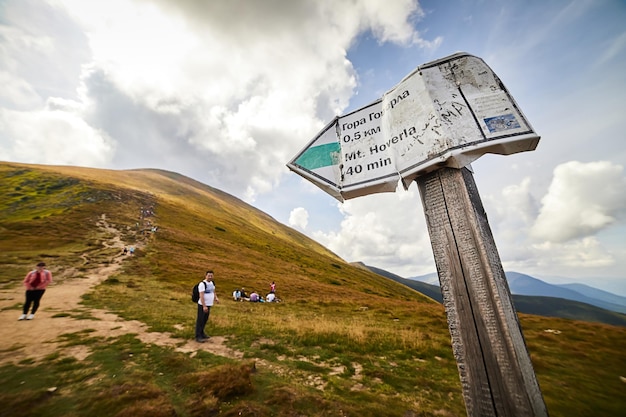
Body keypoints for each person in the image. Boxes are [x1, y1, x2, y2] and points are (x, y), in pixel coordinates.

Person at [195, 270, 219, 342]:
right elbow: (201, 295)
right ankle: (198, 336)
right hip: (202, 305)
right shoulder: (202, 284)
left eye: (211, 276)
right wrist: (204, 306)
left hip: (209, 304)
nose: (210, 277)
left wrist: (216, 298)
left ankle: (202, 333)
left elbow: (213, 291)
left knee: (205, 320)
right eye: (209, 275)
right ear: (206, 276)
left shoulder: (212, 283)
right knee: (200, 320)